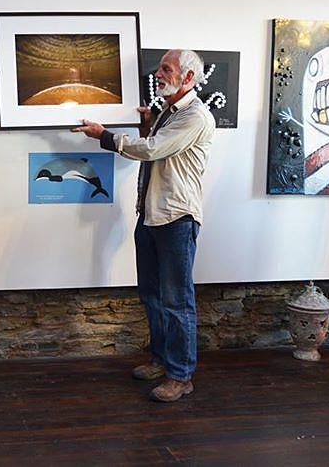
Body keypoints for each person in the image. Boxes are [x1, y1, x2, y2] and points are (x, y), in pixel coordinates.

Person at [71, 49, 215, 402]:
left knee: (176, 301)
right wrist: (149, 123)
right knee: (152, 295)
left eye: (167, 69)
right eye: (161, 68)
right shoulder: (168, 111)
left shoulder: (195, 116)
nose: (159, 74)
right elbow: (158, 147)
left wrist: (105, 136)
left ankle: (181, 376)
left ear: (188, 78)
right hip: (151, 215)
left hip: (176, 219)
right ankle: (161, 360)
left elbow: (152, 150)